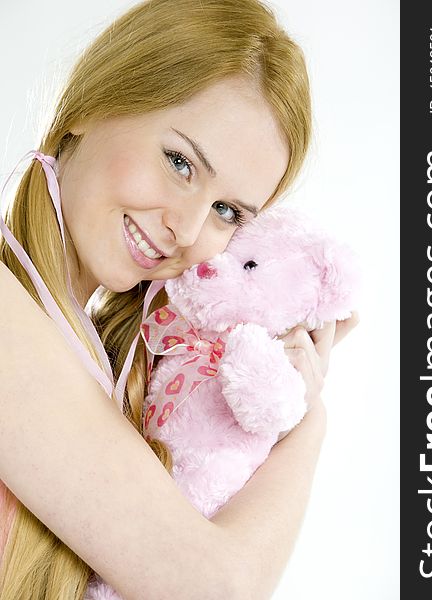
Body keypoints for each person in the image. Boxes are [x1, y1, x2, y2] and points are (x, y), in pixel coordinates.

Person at [0, 0, 358, 598]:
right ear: (93, 105)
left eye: (227, 211)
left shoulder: (113, 373)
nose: (189, 230)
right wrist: (307, 418)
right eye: (180, 162)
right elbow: (215, 589)